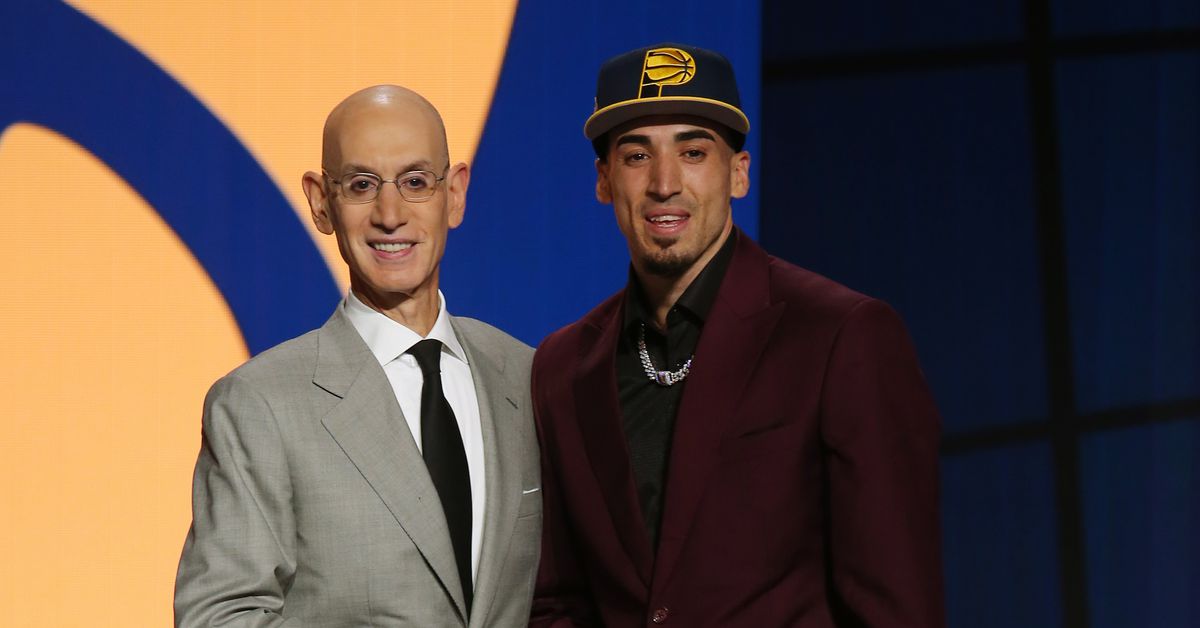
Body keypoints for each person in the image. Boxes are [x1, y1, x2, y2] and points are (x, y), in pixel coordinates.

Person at [529, 44, 944, 627]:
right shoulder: (563, 366)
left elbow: (896, 606)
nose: (664, 183)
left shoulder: (841, 336)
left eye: (693, 151)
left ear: (739, 173)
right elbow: (558, 600)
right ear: (604, 180)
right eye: (636, 155)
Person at [175, 85, 541, 627]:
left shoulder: (528, 376)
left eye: (416, 182)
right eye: (362, 185)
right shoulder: (260, 406)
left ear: (456, 194)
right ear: (322, 202)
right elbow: (221, 616)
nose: (389, 214)